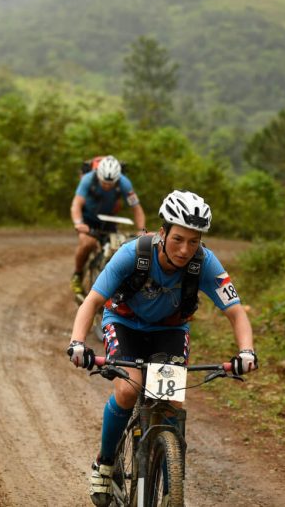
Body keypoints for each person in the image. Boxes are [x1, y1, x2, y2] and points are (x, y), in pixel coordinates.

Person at [66, 189, 258, 506]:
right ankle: (105, 462)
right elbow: (93, 301)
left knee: (169, 400)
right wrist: (77, 343)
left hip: (169, 330)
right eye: (178, 239)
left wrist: (246, 351)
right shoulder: (133, 254)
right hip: (124, 323)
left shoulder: (205, 263)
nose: (185, 250)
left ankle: (172, 492)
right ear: (162, 232)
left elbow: (236, 312)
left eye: (194, 241)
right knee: (129, 389)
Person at [69, 155, 146, 296]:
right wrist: (79, 224)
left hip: (109, 220)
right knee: (87, 243)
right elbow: (76, 204)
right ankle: (77, 275)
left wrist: (141, 230)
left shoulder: (124, 183)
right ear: (98, 174)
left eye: (110, 184)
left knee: (117, 249)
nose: (106, 186)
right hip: (88, 219)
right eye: (104, 183)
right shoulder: (88, 179)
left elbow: (137, 208)